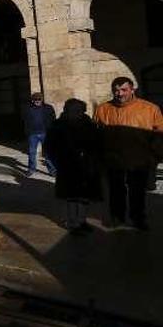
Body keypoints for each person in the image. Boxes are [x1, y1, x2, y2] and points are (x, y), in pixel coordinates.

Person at [94, 77, 163, 230]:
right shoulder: (102, 109)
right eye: (116, 90)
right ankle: (117, 217)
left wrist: (155, 158)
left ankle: (138, 218)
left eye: (124, 89)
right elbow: (96, 136)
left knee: (137, 192)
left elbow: (159, 135)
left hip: (139, 159)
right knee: (115, 191)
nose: (119, 93)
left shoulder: (150, 109)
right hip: (113, 160)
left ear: (132, 89)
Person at [45, 99, 102, 234]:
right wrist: (60, 160)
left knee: (84, 197)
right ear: (66, 110)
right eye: (72, 110)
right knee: (71, 198)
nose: (76, 113)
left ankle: (82, 221)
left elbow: (98, 144)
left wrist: (92, 158)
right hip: (67, 167)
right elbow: (49, 147)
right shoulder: (57, 126)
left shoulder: (90, 125)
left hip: (86, 167)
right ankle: (72, 223)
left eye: (79, 110)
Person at [21, 92, 56, 177]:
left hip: (45, 133)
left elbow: (53, 119)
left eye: (39, 99)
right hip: (32, 134)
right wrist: (27, 132)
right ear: (32, 100)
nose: (37, 101)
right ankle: (31, 169)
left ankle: (52, 171)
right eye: (35, 99)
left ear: (42, 99)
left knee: (48, 153)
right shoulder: (27, 109)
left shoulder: (48, 108)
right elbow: (24, 120)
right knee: (32, 152)